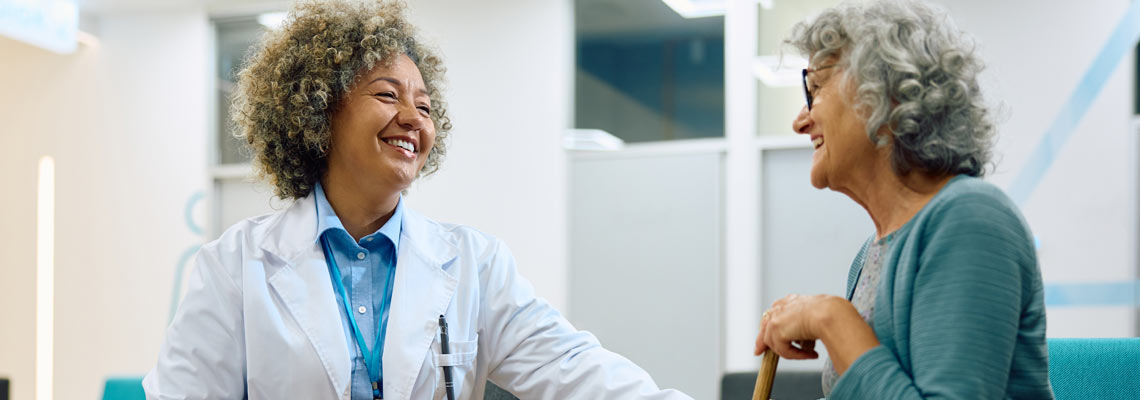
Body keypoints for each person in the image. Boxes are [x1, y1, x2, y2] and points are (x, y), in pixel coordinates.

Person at [142, 1, 690, 399]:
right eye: (387, 94)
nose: (412, 118)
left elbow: (572, 366)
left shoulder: (476, 263)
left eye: (425, 107)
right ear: (319, 111)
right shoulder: (235, 267)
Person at [752, 1, 1054, 398]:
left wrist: (830, 319)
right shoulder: (870, 254)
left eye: (817, 89)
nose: (800, 120)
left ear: (887, 92)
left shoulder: (971, 219)